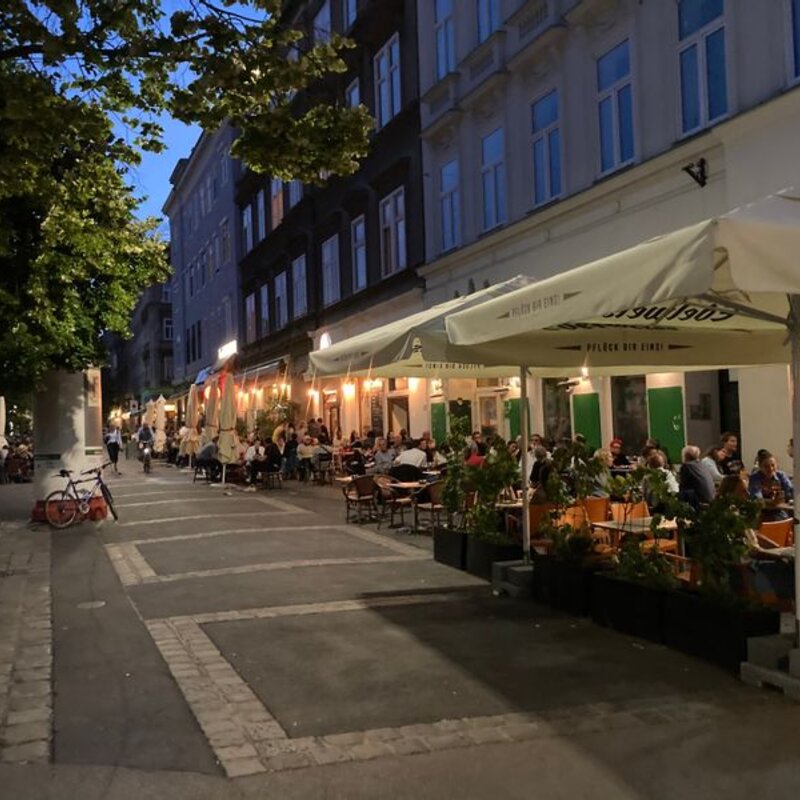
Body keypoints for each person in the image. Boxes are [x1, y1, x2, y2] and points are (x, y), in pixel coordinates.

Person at [748, 451, 793, 521]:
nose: (770, 468)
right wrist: (771, 501)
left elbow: (790, 491)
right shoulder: (755, 478)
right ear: (760, 467)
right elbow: (756, 499)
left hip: (779, 511)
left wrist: (784, 496)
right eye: (766, 466)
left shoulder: (781, 475)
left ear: (777, 465)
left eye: (773, 465)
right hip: (762, 513)